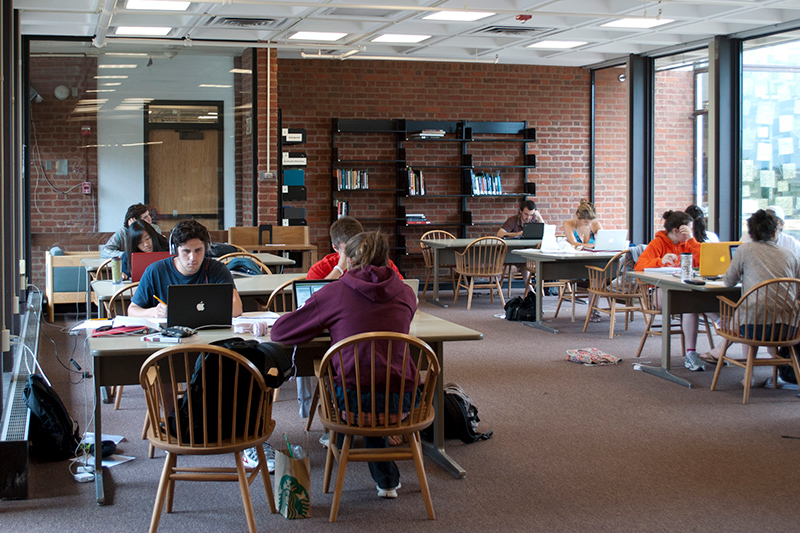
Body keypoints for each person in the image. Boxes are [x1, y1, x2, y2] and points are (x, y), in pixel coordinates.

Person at [271, 231, 416, 500]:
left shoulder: (334, 292)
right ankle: (385, 479)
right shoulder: (407, 293)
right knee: (376, 372)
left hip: (352, 402)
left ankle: (340, 440)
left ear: (347, 260)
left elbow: (280, 333)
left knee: (346, 373)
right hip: (404, 400)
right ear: (386, 260)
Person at [635, 210, 706, 371]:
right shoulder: (657, 243)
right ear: (676, 231)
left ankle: (691, 353)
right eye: (688, 230)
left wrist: (692, 240)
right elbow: (639, 266)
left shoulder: (688, 243)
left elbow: (704, 261)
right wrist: (660, 261)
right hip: (660, 292)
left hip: (686, 290)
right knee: (691, 304)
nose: (690, 233)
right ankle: (721, 324)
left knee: (692, 304)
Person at [128, 219, 242, 318]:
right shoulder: (155, 271)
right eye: (186, 251)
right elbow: (132, 311)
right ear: (175, 250)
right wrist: (154, 312)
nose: (193, 258)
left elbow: (237, 308)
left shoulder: (217, 269)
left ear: (206, 248)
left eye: (198, 250)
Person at [307, 216, 402, 280]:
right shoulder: (320, 269)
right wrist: (339, 269)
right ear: (335, 248)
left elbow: (406, 291)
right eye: (348, 251)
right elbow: (311, 302)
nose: (355, 256)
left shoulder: (381, 262)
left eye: (357, 248)